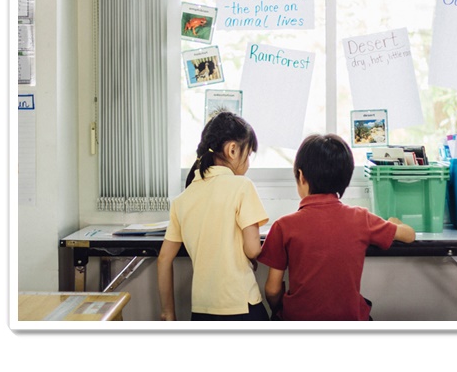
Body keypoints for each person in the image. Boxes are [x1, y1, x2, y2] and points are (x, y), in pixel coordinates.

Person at [258, 133, 415, 321]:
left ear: (301, 176)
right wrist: (394, 223)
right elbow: (409, 235)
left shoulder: (283, 226)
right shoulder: (361, 218)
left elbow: (272, 290)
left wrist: (278, 309)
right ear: (345, 179)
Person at [157, 112, 270, 321]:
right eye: (248, 155)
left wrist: (168, 312)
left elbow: (164, 259)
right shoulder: (242, 186)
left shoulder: (182, 200)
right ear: (232, 150)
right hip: (241, 307)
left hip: (201, 312)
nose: (248, 163)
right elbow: (253, 249)